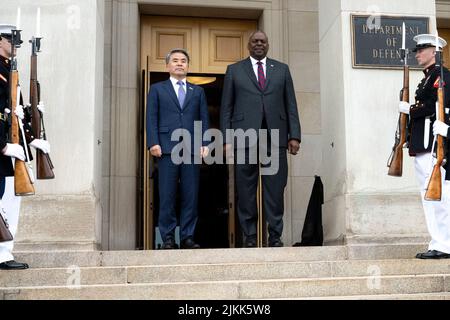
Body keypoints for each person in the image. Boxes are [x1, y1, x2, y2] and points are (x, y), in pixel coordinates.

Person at [220, 30, 301, 248]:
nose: (259, 44)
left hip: (274, 138)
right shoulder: (234, 70)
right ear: (248, 45)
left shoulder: (282, 70)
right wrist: (227, 139)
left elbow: (291, 104)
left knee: (275, 189)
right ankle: (249, 237)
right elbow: (226, 107)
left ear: (268, 45)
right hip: (243, 138)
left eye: (262, 41)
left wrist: (295, 135)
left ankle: (274, 236)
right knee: (245, 190)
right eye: (255, 41)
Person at [146, 49, 209, 250]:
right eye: (175, 61)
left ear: (188, 66)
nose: (179, 64)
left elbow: (203, 119)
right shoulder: (157, 89)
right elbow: (151, 117)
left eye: (183, 61)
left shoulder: (197, 91)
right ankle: (167, 238)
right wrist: (153, 142)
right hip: (166, 148)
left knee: (190, 194)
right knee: (167, 194)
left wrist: (205, 144)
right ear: (168, 66)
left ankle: (187, 236)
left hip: (191, 149)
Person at [0, 24, 50, 269]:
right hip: (3, 151)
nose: (15, 47)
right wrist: (2, 146)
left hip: (14, 150)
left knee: (10, 203)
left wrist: (32, 133)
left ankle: (4, 253)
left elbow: (14, 115)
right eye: (11, 42)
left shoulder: (10, 71)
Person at [399, 33, 450, 259]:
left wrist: (410, 109)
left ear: (434, 52)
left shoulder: (442, 76)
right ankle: (437, 241)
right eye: (417, 51)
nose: (417, 54)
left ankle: (445, 244)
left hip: (434, 145)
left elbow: (436, 106)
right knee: (428, 197)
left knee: (440, 198)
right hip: (421, 145)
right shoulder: (428, 78)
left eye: (421, 50)